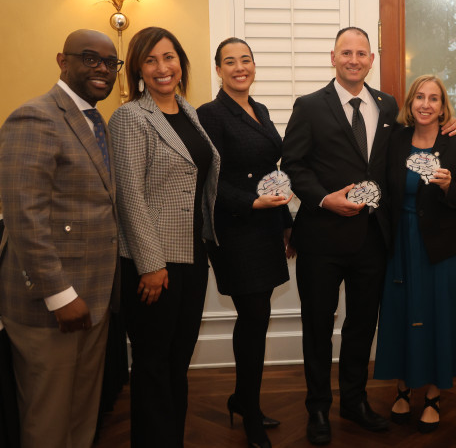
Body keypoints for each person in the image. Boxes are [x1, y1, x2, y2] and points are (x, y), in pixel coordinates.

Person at [282, 26, 456, 445]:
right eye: (347, 52)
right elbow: (293, 165)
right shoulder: (308, 106)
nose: (354, 59)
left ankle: (355, 402)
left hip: (373, 239)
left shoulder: (389, 105)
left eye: (362, 53)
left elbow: (412, 145)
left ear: (371, 60)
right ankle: (318, 409)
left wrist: (451, 129)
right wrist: (325, 199)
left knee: (362, 326)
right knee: (318, 327)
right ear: (333, 57)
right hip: (321, 240)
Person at [0, 29, 121, 448]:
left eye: (110, 62)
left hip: (93, 298)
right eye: (90, 59)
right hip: (51, 305)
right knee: (48, 421)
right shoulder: (34, 117)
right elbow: (23, 216)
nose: (102, 69)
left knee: (81, 414)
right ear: (62, 60)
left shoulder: (94, 121)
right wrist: (59, 295)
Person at [108, 26, 220, 448]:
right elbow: (129, 195)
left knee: (177, 364)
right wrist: (151, 266)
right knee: (154, 366)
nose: (162, 68)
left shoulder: (187, 111)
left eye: (169, 57)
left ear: (181, 62)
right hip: (154, 265)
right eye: (151, 60)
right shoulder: (130, 117)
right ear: (138, 68)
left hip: (192, 257)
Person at [197, 37, 294, 448]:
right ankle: (249, 411)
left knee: (257, 317)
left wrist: (285, 219)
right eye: (230, 62)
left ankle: (242, 398)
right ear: (217, 69)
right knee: (253, 316)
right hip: (235, 229)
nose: (240, 67)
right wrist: (253, 202)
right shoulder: (210, 114)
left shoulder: (261, 109)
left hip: (267, 225)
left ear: (254, 66)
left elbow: (270, 169)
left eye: (246, 60)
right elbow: (209, 181)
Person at [374, 75, 456, 433]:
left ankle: (433, 394)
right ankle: (402, 389)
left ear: (443, 106)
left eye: (434, 99)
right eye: (420, 96)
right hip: (400, 243)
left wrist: (449, 186)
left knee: (439, 316)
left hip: (443, 247)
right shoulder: (395, 140)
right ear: (410, 102)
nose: (426, 104)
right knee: (401, 313)